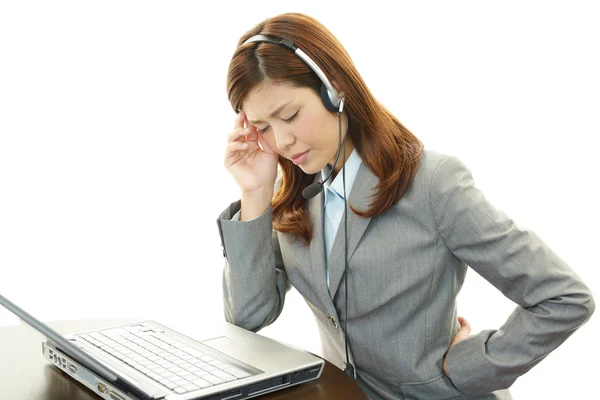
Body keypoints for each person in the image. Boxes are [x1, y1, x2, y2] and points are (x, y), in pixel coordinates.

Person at [216, 12, 594, 400]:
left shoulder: (433, 183)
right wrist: (256, 191)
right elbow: (249, 317)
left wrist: (469, 368)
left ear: (335, 90)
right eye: (262, 127)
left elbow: (563, 298)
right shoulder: (296, 193)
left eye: (290, 115)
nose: (282, 141)